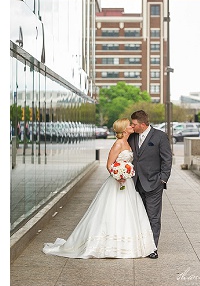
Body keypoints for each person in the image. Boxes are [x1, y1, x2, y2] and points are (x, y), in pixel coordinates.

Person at [43, 118, 156, 258]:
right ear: (124, 128)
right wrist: (118, 175)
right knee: (111, 212)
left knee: (127, 212)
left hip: (128, 184)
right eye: (129, 125)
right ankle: (105, 245)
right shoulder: (118, 144)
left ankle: (127, 245)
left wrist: (125, 174)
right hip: (116, 183)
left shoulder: (128, 142)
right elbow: (109, 165)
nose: (132, 126)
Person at [128, 109, 171, 259]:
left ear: (143, 124)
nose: (132, 127)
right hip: (134, 184)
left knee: (153, 216)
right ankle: (140, 245)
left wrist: (162, 179)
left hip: (154, 183)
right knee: (139, 216)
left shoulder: (160, 137)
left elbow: (167, 159)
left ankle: (152, 248)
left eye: (134, 124)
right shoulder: (132, 137)